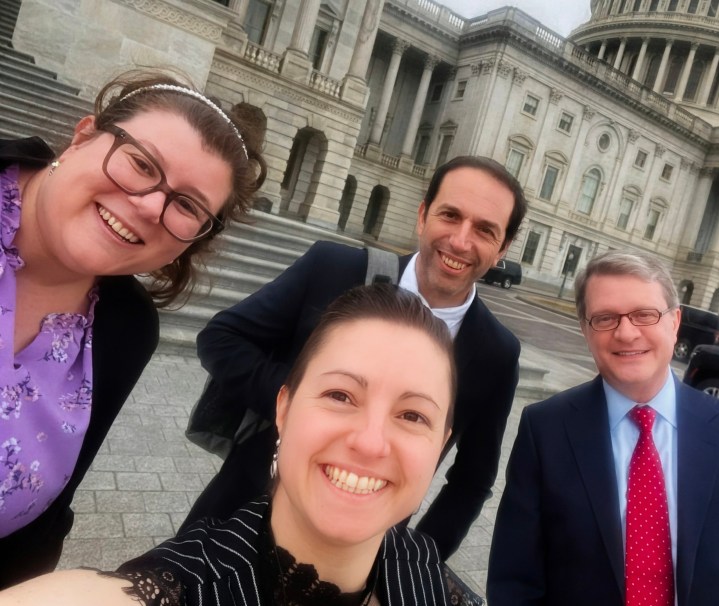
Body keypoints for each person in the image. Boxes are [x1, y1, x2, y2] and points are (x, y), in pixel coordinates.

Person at [0, 284, 483, 605]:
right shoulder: (178, 587)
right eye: (340, 395)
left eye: (412, 415)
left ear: (440, 447)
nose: (371, 441)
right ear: (284, 409)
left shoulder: (431, 581)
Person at [183, 155, 526, 558]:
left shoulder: (496, 351)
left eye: (485, 230)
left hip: (364, 553)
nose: (461, 241)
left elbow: (472, 480)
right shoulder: (333, 268)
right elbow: (222, 337)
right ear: (422, 216)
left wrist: (414, 560)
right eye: (450, 215)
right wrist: (305, 402)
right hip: (244, 510)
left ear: (502, 248)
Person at [0, 70, 267, 587]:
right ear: (83, 136)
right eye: (141, 163)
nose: (150, 205)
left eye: (188, 206)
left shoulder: (126, 328)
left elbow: (49, 515)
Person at [487, 250, 719, 605]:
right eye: (604, 318)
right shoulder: (544, 430)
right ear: (585, 331)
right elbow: (514, 582)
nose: (626, 332)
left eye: (644, 315)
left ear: (675, 321)